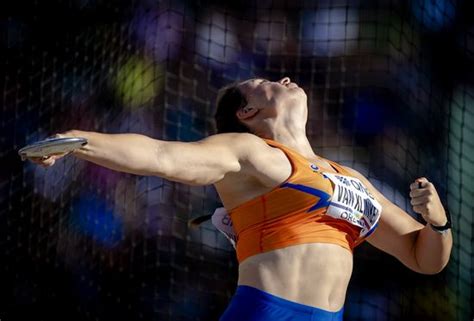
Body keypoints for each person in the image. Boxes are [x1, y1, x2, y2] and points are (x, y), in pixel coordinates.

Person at [27, 77, 452, 321]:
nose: (284, 80)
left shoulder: (351, 178)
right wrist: (81, 142)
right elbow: (161, 155)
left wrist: (439, 223)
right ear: (247, 114)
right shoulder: (250, 154)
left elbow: (424, 258)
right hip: (267, 313)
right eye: (266, 84)